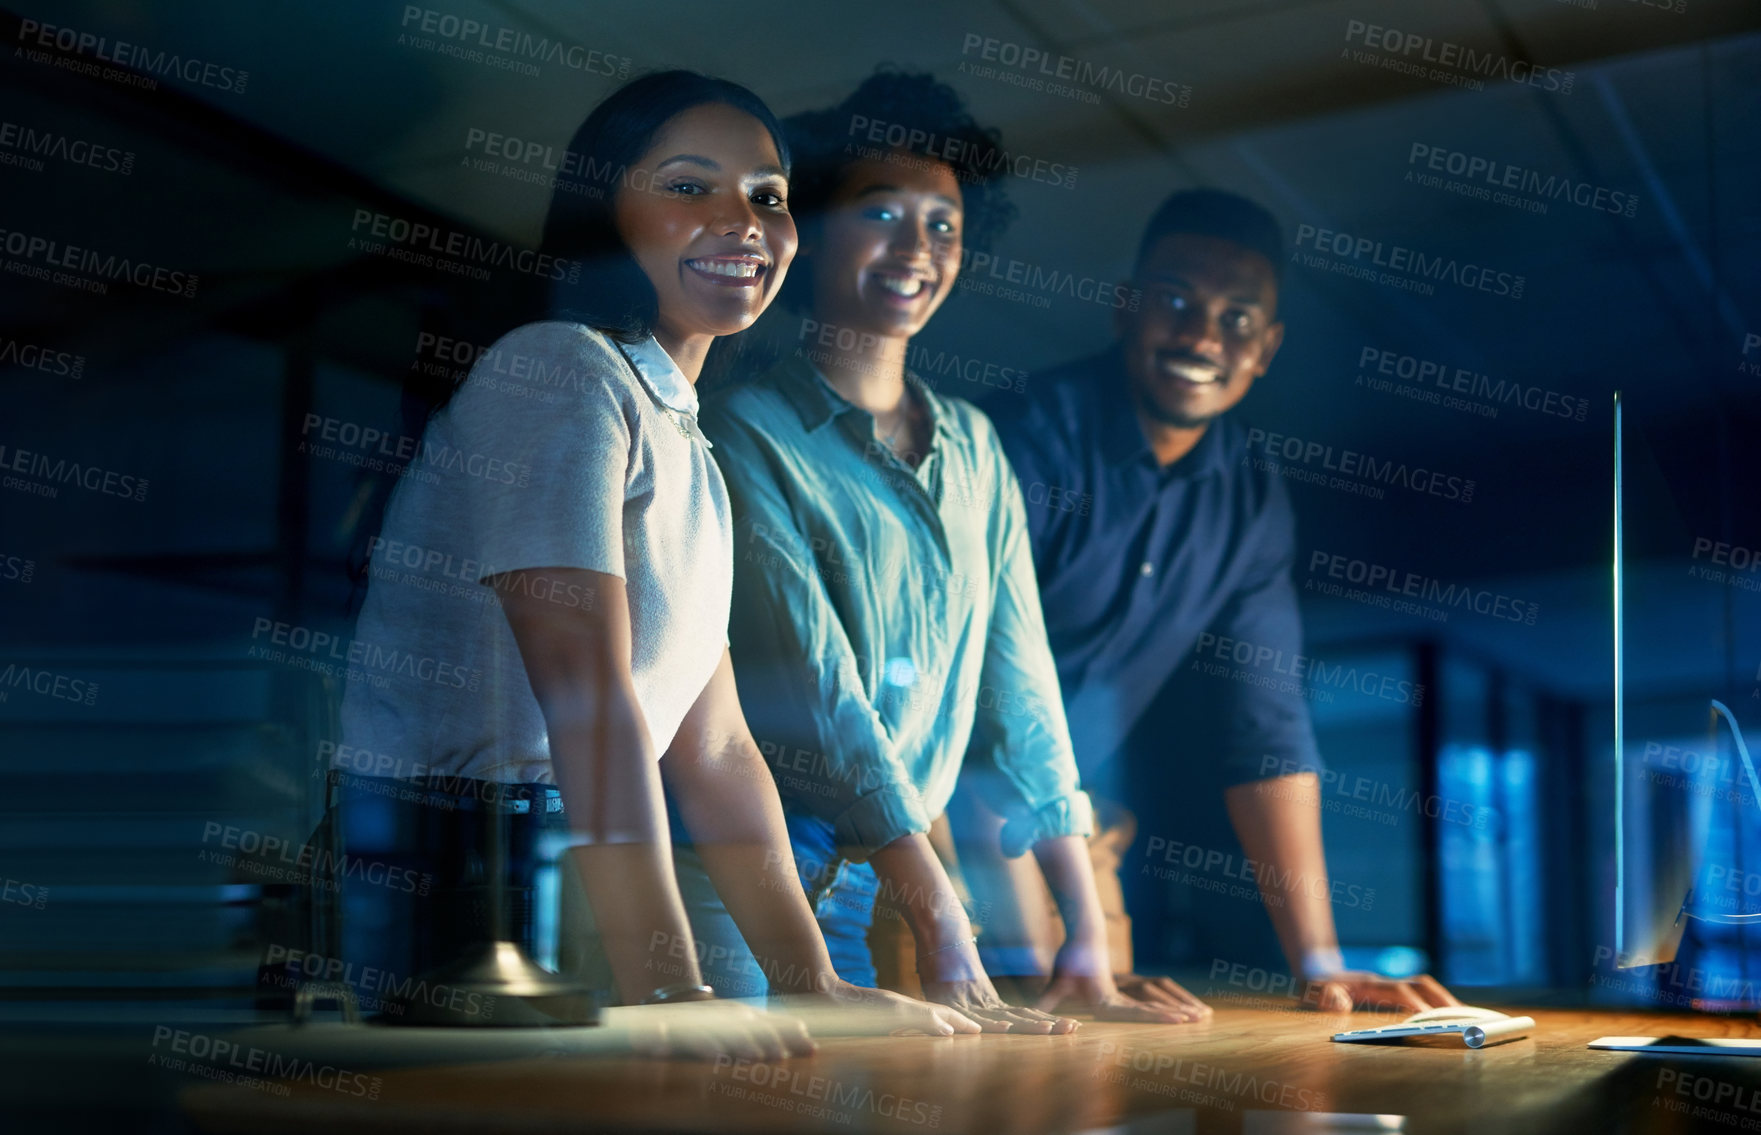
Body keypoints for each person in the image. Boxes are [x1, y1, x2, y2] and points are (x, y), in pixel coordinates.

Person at [328, 70, 979, 1055]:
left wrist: (813, 983)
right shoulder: (559, 369)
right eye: (688, 187)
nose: (744, 220)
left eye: (768, 196)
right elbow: (588, 693)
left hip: (552, 883)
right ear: (604, 214)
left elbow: (716, 750)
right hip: (438, 894)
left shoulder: (691, 445)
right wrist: (669, 988)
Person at [695, 71, 1211, 1030]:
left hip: (873, 888)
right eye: (881, 212)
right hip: (743, 886)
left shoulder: (975, 444)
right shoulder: (741, 431)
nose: (915, 248)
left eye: (943, 226)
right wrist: (944, 921)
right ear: (811, 229)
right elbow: (822, 696)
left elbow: (1024, 693)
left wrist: (1086, 939)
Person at [969, 188, 1461, 1013]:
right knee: (950, 1083)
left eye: (1237, 318)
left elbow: (1265, 732)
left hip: (1077, 840)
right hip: (941, 829)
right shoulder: (1022, 437)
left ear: (1266, 348)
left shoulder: (1250, 495)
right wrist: (1028, 958)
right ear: (1126, 307)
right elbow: (970, 694)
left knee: (1093, 1081)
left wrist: (1319, 962)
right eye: (1175, 302)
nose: (1202, 337)